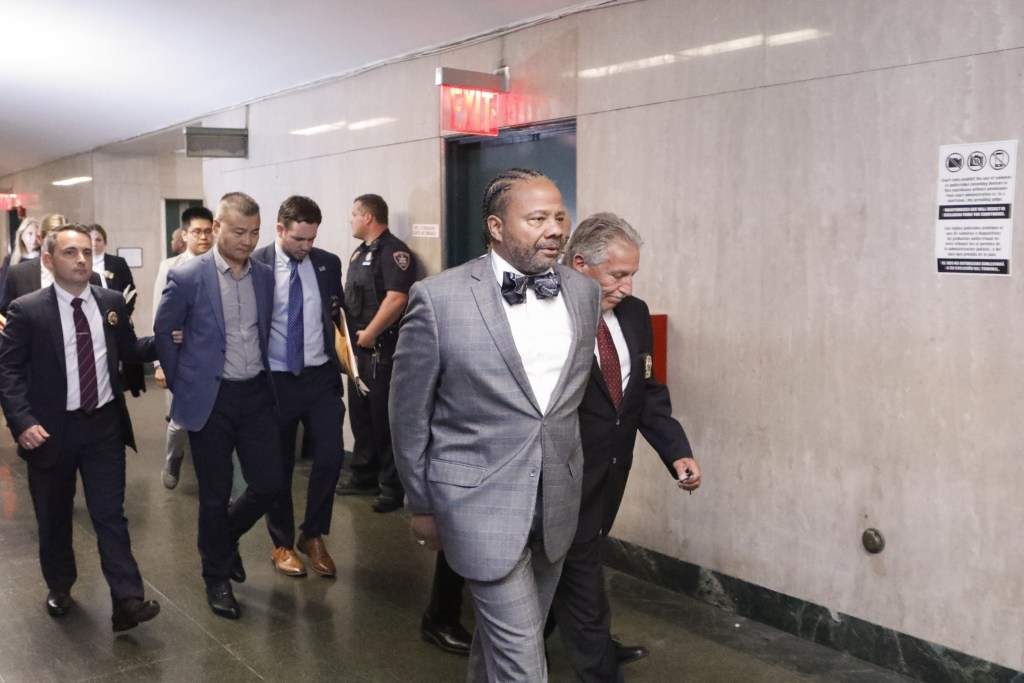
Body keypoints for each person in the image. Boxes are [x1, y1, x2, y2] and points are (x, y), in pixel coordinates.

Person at [391, 168, 601, 682]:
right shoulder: (439, 299)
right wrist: (420, 503)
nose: (555, 228)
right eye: (537, 218)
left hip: (555, 500)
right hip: (476, 504)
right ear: (496, 226)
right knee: (525, 663)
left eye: (559, 216)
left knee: (499, 648)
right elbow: (408, 413)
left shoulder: (583, 293)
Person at [545, 212, 702, 681]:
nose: (628, 286)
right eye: (618, 275)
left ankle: (529, 639)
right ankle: (598, 666)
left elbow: (647, 394)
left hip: (612, 471)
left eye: (632, 274)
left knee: (575, 564)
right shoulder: (547, 318)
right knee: (580, 567)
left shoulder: (634, 315)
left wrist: (677, 451)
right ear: (579, 265)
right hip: (561, 474)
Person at [0, 224, 160, 632]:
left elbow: (129, 350)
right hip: (50, 430)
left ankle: (127, 599)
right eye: (71, 253)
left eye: (87, 252)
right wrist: (22, 422)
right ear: (49, 260)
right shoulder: (28, 309)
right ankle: (60, 584)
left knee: (110, 514)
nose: (82, 260)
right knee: (54, 516)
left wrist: (168, 340)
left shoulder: (109, 301)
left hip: (103, 425)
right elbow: (10, 371)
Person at [154, 191, 283, 619]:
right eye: (239, 232)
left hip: (255, 395)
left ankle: (222, 540)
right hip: (211, 398)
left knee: (268, 483)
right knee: (214, 494)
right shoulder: (189, 277)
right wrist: (181, 382)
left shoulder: (264, 275)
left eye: (255, 232)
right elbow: (164, 330)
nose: (247, 241)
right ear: (217, 228)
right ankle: (217, 578)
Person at [252, 195, 345, 577]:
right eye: (298, 240)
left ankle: (314, 534)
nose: (305, 247)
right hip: (274, 379)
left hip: (319, 376)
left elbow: (335, 314)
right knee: (278, 466)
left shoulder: (326, 263)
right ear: (280, 230)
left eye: (311, 239)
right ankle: (282, 542)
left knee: (331, 455)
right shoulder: (256, 265)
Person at [335, 194, 416, 513]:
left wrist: (370, 334)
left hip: (382, 350)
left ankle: (392, 487)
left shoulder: (393, 252)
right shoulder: (360, 253)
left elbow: (397, 298)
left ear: (368, 217)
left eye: (354, 214)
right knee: (362, 417)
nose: (351, 219)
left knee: (384, 421)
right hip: (359, 353)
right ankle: (363, 473)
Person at [152, 207, 215, 489]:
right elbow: (159, 319)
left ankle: (215, 483)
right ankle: (174, 457)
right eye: (197, 232)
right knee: (180, 420)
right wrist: (159, 364)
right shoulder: (171, 267)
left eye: (208, 231)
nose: (204, 237)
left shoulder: (221, 264)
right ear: (185, 235)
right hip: (180, 356)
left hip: (213, 356)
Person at [0, 213, 102, 315]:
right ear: (40, 239)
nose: (58, 243)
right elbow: (7, 313)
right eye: (52, 239)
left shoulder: (91, 277)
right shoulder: (18, 274)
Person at [0, 217, 41, 298]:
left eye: (37, 235)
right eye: (30, 233)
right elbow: (3, 291)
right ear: (21, 236)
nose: (34, 238)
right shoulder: (10, 260)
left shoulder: (45, 259)